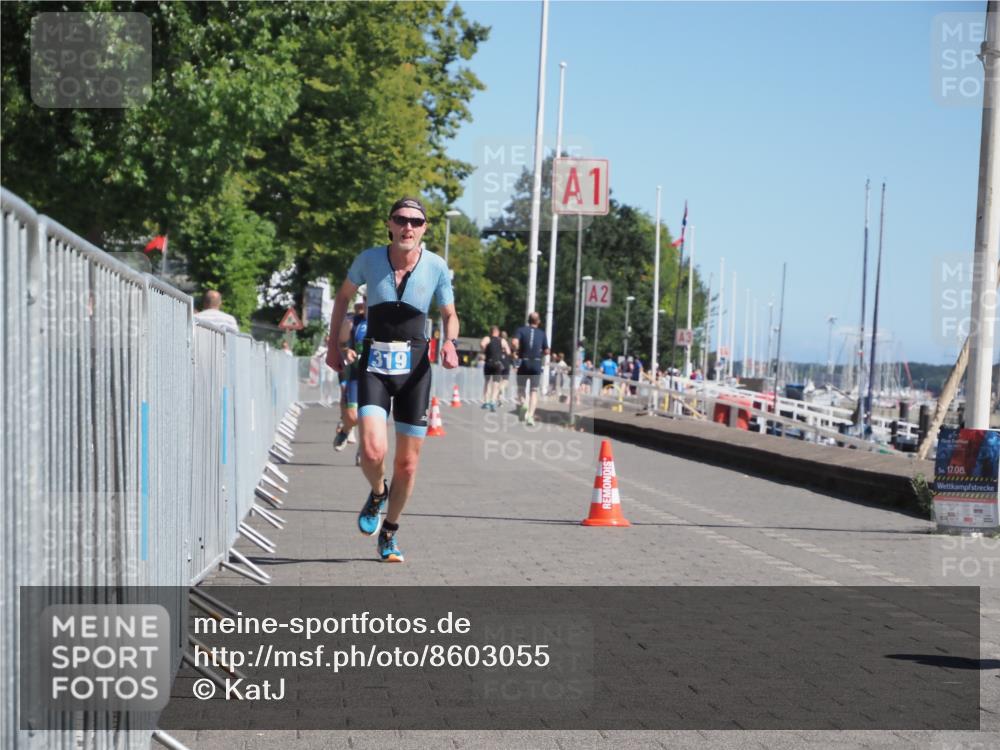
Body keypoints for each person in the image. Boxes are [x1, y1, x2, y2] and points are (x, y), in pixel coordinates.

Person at [326, 197, 459, 563]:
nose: (408, 227)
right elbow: (342, 297)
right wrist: (333, 344)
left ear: (424, 228)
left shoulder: (435, 266)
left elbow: (450, 314)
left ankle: (390, 531)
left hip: (415, 370)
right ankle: (378, 491)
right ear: (390, 224)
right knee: (371, 451)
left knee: (409, 465)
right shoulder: (369, 259)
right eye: (401, 220)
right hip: (375, 364)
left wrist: (449, 343)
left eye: (416, 221)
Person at [333, 294, 367, 460]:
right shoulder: (352, 322)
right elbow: (340, 344)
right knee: (353, 415)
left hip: (377, 378)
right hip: (355, 375)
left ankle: (364, 447)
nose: (364, 306)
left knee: (369, 416)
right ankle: (346, 430)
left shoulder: (385, 322)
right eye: (365, 301)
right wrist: (346, 350)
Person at [512, 312, 549, 426]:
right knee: (534, 391)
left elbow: (514, 342)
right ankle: (530, 416)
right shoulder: (542, 333)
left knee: (521, 388)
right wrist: (541, 353)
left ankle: (523, 404)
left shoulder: (521, 330)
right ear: (538, 321)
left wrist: (516, 350)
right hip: (536, 363)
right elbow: (547, 351)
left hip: (524, 362)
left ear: (528, 320)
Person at [480, 325, 510, 412]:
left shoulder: (488, 338)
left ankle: (486, 401)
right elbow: (508, 351)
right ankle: (493, 401)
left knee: (487, 382)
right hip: (497, 363)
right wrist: (502, 351)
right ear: (498, 332)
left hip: (488, 362)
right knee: (496, 383)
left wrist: (485, 350)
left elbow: (482, 344)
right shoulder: (502, 340)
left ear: (491, 332)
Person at [498, 330, 512, 405]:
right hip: (505, 361)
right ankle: (501, 388)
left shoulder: (497, 342)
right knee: (505, 380)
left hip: (499, 361)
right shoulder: (505, 343)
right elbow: (509, 352)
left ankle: (500, 399)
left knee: (499, 380)